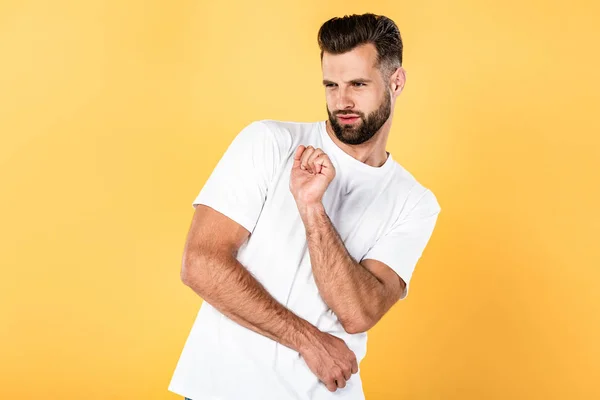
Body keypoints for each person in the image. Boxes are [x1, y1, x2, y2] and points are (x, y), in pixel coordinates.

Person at [168, 12, 441, 400]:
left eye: (358, 84)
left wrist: (312, 208)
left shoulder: (414, 202)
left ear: (395, 82)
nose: (341, 101)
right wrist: (309, 341)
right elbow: (200, 263)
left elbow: (359, 312)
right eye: (331, 85)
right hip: (222, 389)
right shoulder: (269, 142)